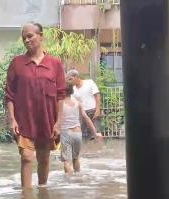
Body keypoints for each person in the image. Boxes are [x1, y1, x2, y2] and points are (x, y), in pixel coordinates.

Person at [6, 22, 66, 188]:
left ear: (41, 36)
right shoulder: (17, 63)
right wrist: (12, 119)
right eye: (24, 37)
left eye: (30, 36)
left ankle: (42, 193)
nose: (27, 40)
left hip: (46, 120)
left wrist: (58, 123)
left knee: (44, 158)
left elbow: (61, 95)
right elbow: (10, 95)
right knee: (26, 157)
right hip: (24, 120)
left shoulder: (55, 64)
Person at [60, 84, 102, 174]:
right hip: (77, 134)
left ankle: (69, 183)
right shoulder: (77, 103)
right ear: (72, 91)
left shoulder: (60, 103)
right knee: (76, 158)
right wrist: (95, 132)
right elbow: (86, 117)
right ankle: (78, 181)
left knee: (67, 161)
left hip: (65, 133)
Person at [66, 69, 102, 140]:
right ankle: (87, 149)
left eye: (71, 79)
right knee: (85, 135)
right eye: (68, 79)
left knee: (97, 132)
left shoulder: (89, 83)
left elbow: (97, 95)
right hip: (82, 113)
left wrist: (98, 110)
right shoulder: (73, 89)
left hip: (93, 111)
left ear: (76, 77)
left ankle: (100, 149)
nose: (70, 81)